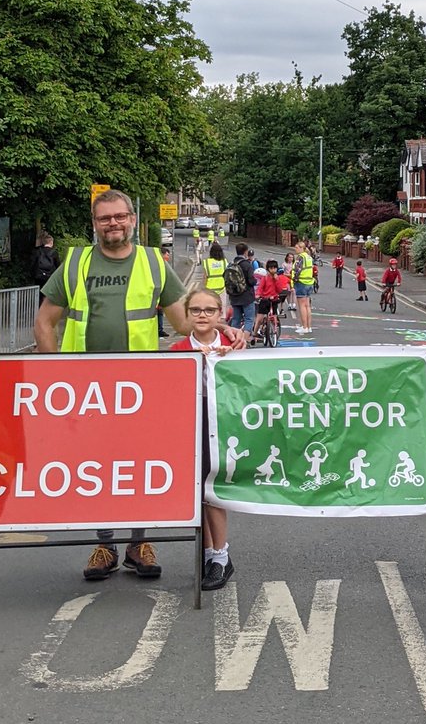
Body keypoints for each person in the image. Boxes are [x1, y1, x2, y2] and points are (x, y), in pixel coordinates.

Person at [35, 189, 244, 582]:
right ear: (94, 223)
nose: (113, 224)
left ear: (132, 219)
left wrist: (221, 328)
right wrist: (53, 376)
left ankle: (138, 544)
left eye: (120, 216)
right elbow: (45, 322)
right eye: (104, 218)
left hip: (139, 389)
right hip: (85, 390)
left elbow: (183, 322)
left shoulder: (151, 262)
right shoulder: (76, 261)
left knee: (136, 467)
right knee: (94, 469)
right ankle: (105, 545)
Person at [169, 288, 236, 590]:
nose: (202, 315)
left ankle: (221, 556)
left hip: (223, 424)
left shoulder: (234, 346)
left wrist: (232, 355)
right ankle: (209, 553)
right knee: (197, 491)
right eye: (195, 310)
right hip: (191, 421)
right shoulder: (178, 349)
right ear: (187, 314)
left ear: (220, 314)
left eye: (209, 310)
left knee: (213, 488)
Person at [224, 242, 257, 335]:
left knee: (236, 320)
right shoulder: (247, 265)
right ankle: (245, 340)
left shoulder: (231, 264)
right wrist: (255, 281)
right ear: (246, 252)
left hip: (234, 296)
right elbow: (251, 281)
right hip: (247, 297)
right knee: (249, 319)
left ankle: (233, 339)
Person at [251, 258, 281, 343]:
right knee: (259, 319)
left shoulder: (277, 278)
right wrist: (258, 295)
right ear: (268, 269)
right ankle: (254, 334)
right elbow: (260, 288)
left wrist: (277, 280)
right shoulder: (265, 278)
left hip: (274, 299)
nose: (273, 270)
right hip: (265, 299)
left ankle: (274, 329)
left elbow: (279, 289)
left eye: (275, 268)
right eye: (271, 268)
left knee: (274, 316)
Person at [292, 239, 315, 335]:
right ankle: (308, 327)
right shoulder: (309, 257)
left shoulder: (300, 257)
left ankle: (304, 327)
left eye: (297, 247)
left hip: (301, 282)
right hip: (309, 282)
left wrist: (293, 281)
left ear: (301, 248)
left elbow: (297, 270)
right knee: (307, 306)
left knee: (302, 306)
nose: (295, 249)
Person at [201, 240, 227, 310]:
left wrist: (203, 288)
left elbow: (205, 277)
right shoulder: (224, 262)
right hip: (221, 288)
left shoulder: (207, 262)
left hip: (209, 290)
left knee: (210, 309)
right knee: (221, 309)